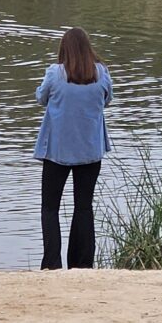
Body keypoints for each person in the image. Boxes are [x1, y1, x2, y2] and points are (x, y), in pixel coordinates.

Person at [33, 27, 113, 270]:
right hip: (90, 151)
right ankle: (82, 263)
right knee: (84, 207)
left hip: (57, 151)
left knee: (50, 208)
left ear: (64, 49)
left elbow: (41, 98)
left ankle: (52, 264)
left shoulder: (55, 73)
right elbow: (107, 100)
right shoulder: (101, 73)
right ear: (88, 48)